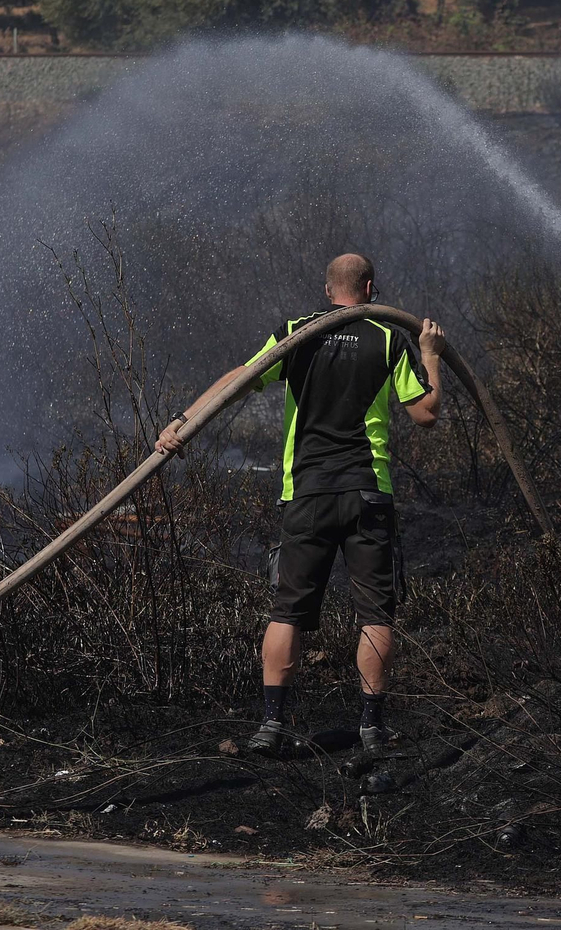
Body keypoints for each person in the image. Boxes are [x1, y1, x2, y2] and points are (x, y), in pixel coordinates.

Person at [155, 253, 445, 756]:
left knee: (286, 611)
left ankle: (270, 726)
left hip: (306, 494)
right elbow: (426, 413)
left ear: (328, 290)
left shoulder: (295, 332)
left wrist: (183, 420)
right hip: (366, 494)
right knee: (375, 613)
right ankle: (372, 729)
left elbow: (241, 378)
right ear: (371, 287)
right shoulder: (387, 337)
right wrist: (432, 353)